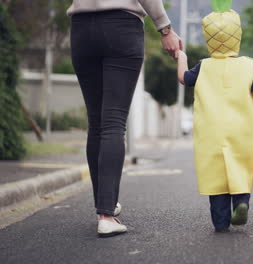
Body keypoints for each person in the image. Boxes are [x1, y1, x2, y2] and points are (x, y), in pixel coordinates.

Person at [67, 0, 182, 237]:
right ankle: (106, 216)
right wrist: (165, 29)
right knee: (113, 122)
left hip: (81, 29)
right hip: (121, 27)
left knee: (97, 123)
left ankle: (104, 204)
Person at [176, 0, 253, 233]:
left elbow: (183, 78)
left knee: (216, 174)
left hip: (211, 133)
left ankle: (220, 221)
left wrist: (181, 56)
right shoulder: (248, 66)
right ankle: (241, 202)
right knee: (240, 167)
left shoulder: (203, 67)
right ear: (237, 36)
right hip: (242, 131)